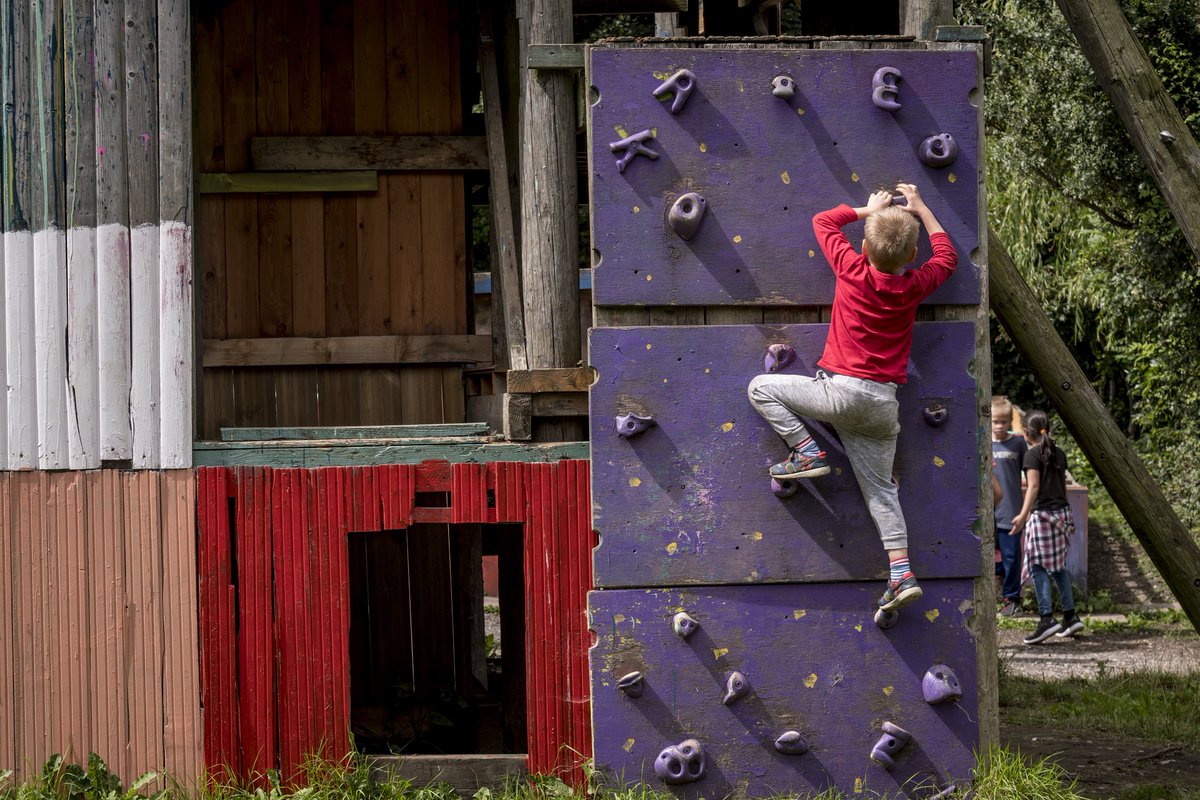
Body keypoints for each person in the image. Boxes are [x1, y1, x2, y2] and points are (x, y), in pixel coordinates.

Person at [747, 183, 957, 612]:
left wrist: (868, 208)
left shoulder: (851, 269)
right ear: (911, 257)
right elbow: (948, 258)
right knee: (881, 492)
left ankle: (806, 453)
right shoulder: (913, 286)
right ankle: (900, 572)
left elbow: (823, 221)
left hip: (841, 393)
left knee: (760, 388)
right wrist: (922, 208)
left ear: (863, 247)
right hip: (882, 407)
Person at [1012, 409, 1085, 644]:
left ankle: (1046, 619)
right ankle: (1070, 616)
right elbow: (1062, 488)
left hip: (1042, 516)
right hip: (1062, 514)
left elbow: (1032, 488)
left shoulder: (1032, 455)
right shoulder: (1059, 453)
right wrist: (1068, 514)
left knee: (1037, 566)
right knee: (1058, 567)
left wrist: (1022, 515)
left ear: (1025, 433)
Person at [992, 396, 1028, 617]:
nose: (998, 426)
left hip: (1010, 510)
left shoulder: (1018, 443)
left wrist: (1026, 511)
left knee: (1012, 556)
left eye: (1003, 422)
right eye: (995, 422)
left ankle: (1012, 599)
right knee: (987, 556)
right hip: (986, 513)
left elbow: (1031, 472)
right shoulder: (981, 442)